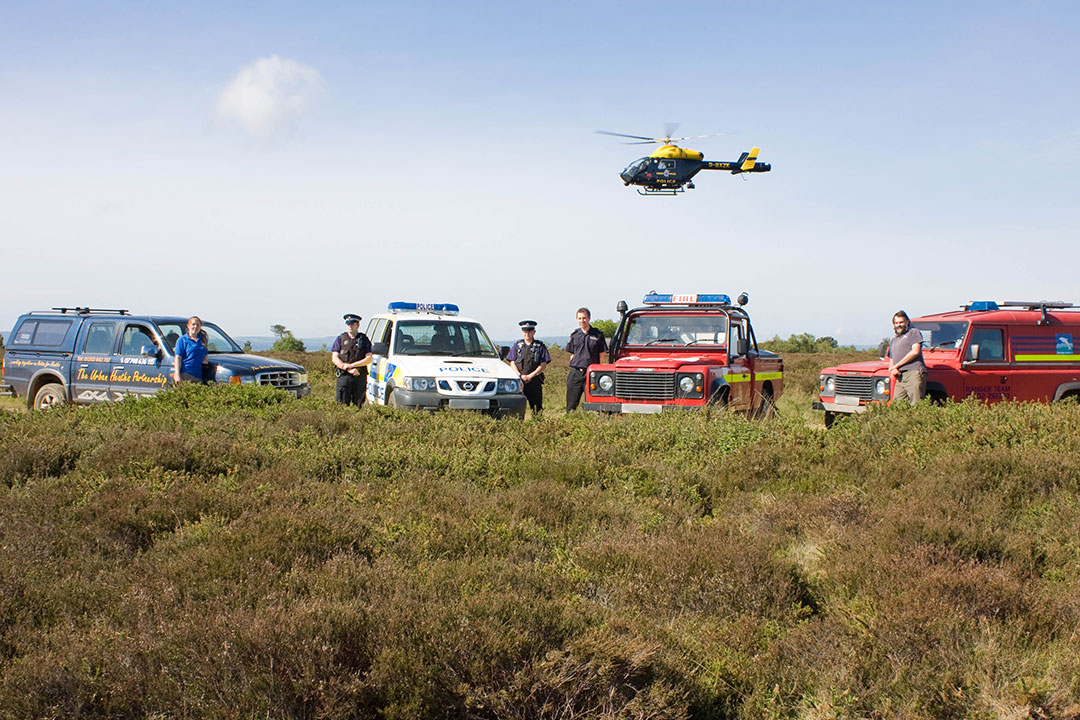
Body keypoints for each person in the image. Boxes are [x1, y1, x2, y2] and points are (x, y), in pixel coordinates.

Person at [565, 307, 607, 412]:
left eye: (584, 318)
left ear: (589, 318)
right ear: (577, 319)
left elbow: (602, 354)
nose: (582, 321)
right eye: (579, 318)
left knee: (592, 404)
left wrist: (597, 369)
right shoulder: (574, 335)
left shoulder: (597, 334)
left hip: (592, 373)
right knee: (571, 404)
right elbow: (571, 353)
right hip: (576, 372)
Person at [506, 320, 551, 416]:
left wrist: (531, 375)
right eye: (525, 331)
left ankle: (538, 426)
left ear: (534, 332)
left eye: (530, 331)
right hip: (519, 381)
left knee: (537, 409)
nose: (527, 334)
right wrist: (520, 375)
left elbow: (543, 364)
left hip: (534, 381)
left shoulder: (540, 347)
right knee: (516, 408)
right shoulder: (517, 346)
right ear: (522, 332)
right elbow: (512, 362)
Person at [331, 313, 373, 406]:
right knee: (341, 404)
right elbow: (334, 357)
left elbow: (369, 358)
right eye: (348, 324)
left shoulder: (364, 339)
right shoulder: (340, 339)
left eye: (353, 323)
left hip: (359, 375)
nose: (350, 326)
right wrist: (346, 368)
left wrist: (353, 366)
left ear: (358, 325)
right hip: (344, 375)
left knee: (358, 404)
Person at [887, 310, 925, 404]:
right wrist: (892, 369)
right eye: (896, 323)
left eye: (901, 322)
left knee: (916, 404)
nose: (899, 325)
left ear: (907, 322)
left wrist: (897, 365)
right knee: (896, 404)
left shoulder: (913, 333)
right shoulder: (894, 340)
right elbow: (891, 358)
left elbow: (915, 351)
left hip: (913, 372)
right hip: (900, 376)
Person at [173, 315, 209, 384]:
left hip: (198, 375)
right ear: (188, 326)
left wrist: (205, 359)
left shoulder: (202, 340)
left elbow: (205, 353)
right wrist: (177, 374)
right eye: (193, 324)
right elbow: (178, 357)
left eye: (198, 325)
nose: (195, 327)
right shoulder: (182, 340)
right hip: (185, 373)